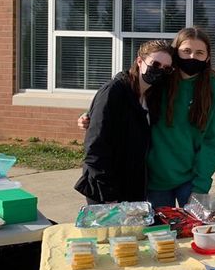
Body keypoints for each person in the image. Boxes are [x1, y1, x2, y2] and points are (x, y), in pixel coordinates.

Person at [74, 40, 174, 204]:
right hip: (107, 188)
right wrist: (108, 195)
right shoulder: (114, 91)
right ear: (140, 61)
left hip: (133, 186)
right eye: (155, 64)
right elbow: (95, 146)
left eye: (166, 68)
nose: (160, 70)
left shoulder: (152, 96)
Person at [146, 27, 215, 209]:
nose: (192, 57)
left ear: (207, 57)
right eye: (186, 51)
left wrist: (200, 185)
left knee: (193, 233)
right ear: (175, 52)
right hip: (155, 179)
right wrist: (92, 113)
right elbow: (126, 96)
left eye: (199, 53)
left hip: (192, 181)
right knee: (158, 234)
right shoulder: (158, 83)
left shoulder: (214, 91)